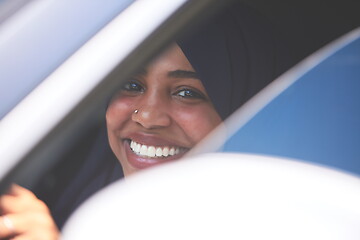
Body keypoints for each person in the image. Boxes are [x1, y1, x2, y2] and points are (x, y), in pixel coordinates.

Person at [0, 3, 293, 239]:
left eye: (187, 92)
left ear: (243, 105)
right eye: (131, 85)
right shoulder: (80, 184)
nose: (148, 117)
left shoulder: (275, 224)